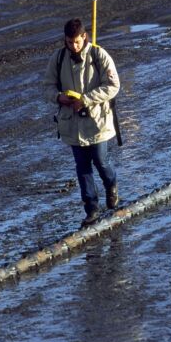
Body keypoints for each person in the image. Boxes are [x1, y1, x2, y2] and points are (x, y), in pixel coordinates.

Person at [44, 18, 120, 226]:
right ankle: (91, 208)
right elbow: (48, 86)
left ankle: (111, 184)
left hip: (97, 122)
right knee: (82, 166)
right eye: (69, 43)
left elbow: (113, 86)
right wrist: (59, 98)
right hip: (72, 124)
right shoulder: (58, 58)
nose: (73, 47)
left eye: (77, 42)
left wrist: (85, 100)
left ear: (84, 37)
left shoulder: (98, 55)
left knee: (101, 161)